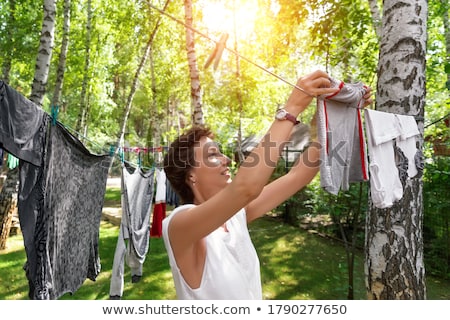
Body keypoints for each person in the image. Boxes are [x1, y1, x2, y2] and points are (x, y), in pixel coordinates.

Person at [162, 70, 373, 299]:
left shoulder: (234, 216)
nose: (225, 159)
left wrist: (326, 125)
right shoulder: (179, 225)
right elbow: (246, 187)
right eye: (213, 154)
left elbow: (297, 176)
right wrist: (291, 109)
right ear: (190, 175)